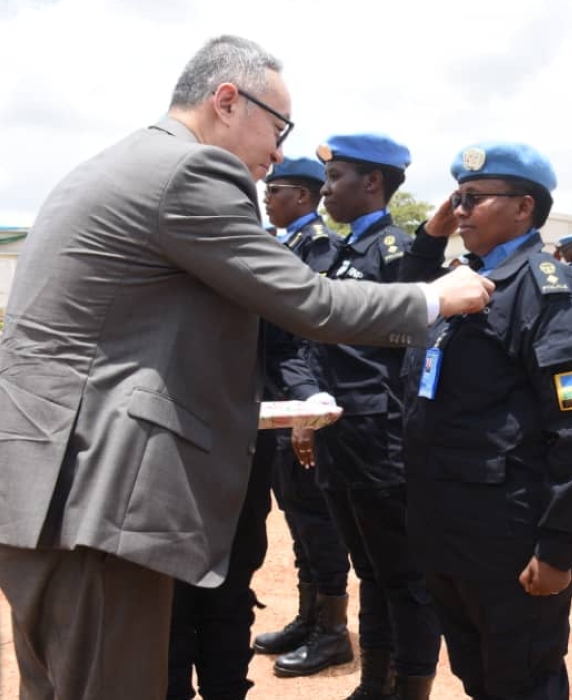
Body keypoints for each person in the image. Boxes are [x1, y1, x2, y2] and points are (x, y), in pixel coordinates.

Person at [0, 36, 492, 700]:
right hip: (99, 490)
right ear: (227, 101)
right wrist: (436, 296)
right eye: (279, 127)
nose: (281, 152)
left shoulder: (111, 164)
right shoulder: (191, 171)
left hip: (47, 477)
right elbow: (306, 301)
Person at [402, 142, 572, 700]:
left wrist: (559, 547)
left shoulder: (549, 291)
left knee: (522, 680)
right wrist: (430, 238)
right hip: (450, 527)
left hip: (509, 538)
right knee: (478, 676)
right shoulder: (459, 283)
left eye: (473, 198)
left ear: (524, 208)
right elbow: (395, 312)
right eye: (457, 199)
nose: (461, 211)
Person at [164, 156, 344, 700]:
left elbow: (288, 344)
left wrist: (307, 397)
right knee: (173, 590)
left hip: (242, 448)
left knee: (232, 579)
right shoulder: (163, 263)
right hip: (172, 453)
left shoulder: (263, 265)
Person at [278, 134, 445, 700]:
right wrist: (308, 399)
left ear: (372, 182)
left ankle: (411, 687)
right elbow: (308, 342)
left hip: (383, 444)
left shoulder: (398, 255)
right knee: (371, 572)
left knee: (405, 579)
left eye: (335, 179)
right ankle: (375, 683)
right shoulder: (341, 255)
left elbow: (415, 351)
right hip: (339, 441)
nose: (325, 192)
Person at [250, 158, 354, 673]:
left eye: (278, 190)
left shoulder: (321, 251)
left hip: (302, 405)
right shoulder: (284, 244)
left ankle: (333, 631)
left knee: (317, 519)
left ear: (305, 198)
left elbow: (315, 340)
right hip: (277, 398)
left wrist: (305, 419)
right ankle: (309, 618)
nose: (268, 196)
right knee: (296, 515)